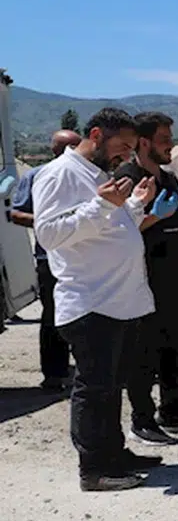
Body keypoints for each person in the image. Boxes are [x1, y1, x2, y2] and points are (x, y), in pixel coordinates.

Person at [31, 108, 163, 491]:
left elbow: (107, 231)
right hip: (91, 302)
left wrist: (134, 206)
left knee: (111, 386)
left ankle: (115, 453)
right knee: (94, 388)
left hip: (119, 302)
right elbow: (49, 234)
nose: (125, 155)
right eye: (121, 146)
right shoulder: (59, 174)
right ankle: (94, 468)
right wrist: (103, 205)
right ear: (95, 134)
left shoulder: (100, 175)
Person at [117, 112, 178, 443]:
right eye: (164, 139)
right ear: (144, 143)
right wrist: (154, 217)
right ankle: (142, 418)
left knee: (176, 346)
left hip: (175, 271)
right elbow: (118, 231)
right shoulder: (128, 177)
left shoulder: (170, 178)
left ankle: (173, 410)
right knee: (144, 351)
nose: (170, 145)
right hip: (144, 276)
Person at [8, 129, 81, 390]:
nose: (71, 152)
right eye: (66, 147)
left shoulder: (88, 176)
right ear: (54, 150)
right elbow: (16, 214)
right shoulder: (36, 176)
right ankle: (54, 373)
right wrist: (54, 224)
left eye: (76, 146)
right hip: (49, 257)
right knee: (53, 315)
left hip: (85, 257)